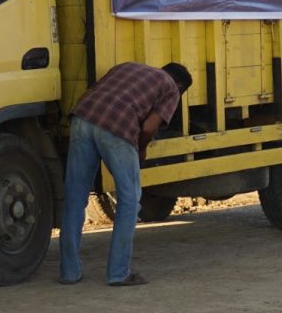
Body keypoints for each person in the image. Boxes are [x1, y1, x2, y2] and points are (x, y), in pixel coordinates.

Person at [59, 61, 193, 287]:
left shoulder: (127, 67)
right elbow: (149, 127)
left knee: (75, 198)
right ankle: (118, 273)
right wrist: (140, 149)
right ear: (179, 85)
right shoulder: (171, 87)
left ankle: (69, 272)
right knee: (129, 201)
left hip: (82, 118)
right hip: (117, 127)